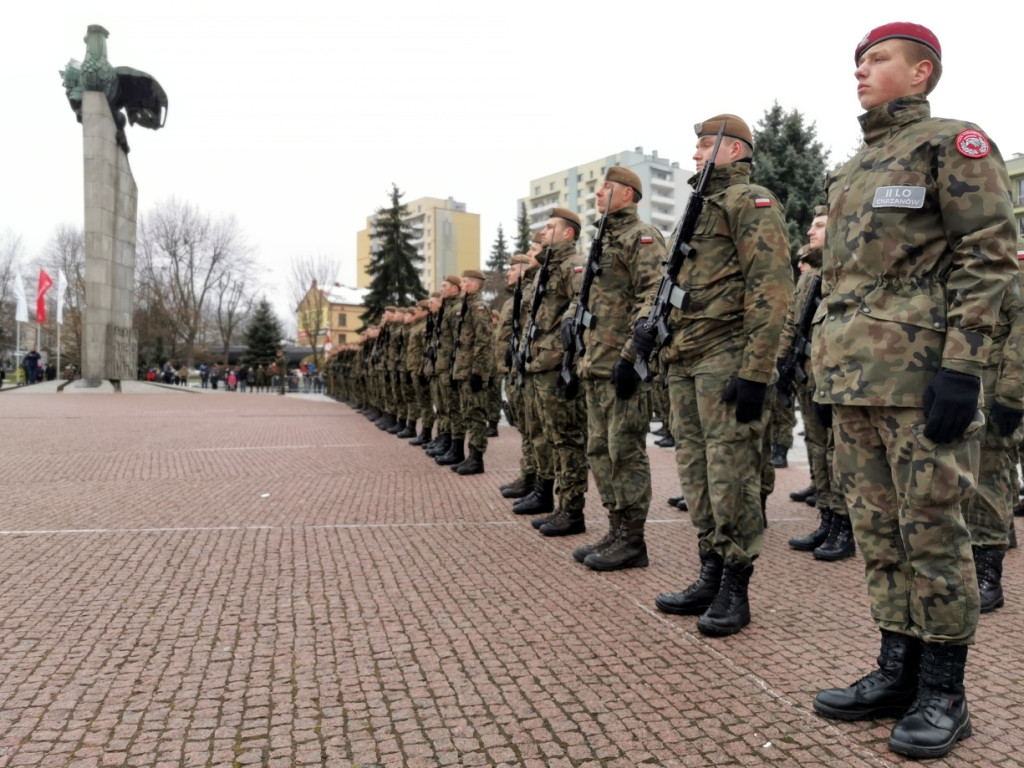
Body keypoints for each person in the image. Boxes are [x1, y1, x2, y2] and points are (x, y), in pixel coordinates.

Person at [809, 23, 1017, 760]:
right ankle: (895, 672)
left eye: (876, 59)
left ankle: (943, 693)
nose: (860, 72)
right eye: (858, 61)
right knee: (877, 531)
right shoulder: (853, 167)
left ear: (922, 71)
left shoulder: (953, 144)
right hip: (852, 378)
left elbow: (989, 258)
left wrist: (963, 367)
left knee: (932, 532)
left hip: (922, 376)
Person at [642, 114, 793, 637]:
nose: (697, 155)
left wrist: (755, 371)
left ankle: (736, 585)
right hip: (685, 357)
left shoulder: (750, 202)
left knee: (731, 475)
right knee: (697, 472)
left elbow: (772, 289)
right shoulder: (700, 209)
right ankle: (709, 570)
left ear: (736, 150)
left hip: (726, 353)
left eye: (707, 145)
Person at [565, 166, 666, 571]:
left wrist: (631, 355)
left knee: (624, 451)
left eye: (607, 188)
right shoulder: (601, 242)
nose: (598, 194)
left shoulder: (640, 238)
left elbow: (652, 295)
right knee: (599, 450)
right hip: (594, 363)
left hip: (620, 365)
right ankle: (615, 527)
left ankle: (633, 540)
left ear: (629, 194)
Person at [522, 208, 588, 536]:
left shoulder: (572, 266)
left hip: (557, 365)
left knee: (567, 439)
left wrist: (568, 360)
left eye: (551, 227)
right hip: (541, 363)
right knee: (552, 436)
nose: (543, 232)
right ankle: (561, 504)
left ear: (567, 234)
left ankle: (573, 510)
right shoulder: (548, 269)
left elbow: (580, 310)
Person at [449, 269, 495, 475]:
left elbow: (484, 343)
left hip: (472, 373)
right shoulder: (467, 308)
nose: (462, 286)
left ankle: (477, 459)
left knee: (475, 415)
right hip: (463, 371)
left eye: (465, 282)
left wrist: (478, 372)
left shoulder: (478, 308)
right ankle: (471, 456)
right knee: (467, 414)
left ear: (475, 285)